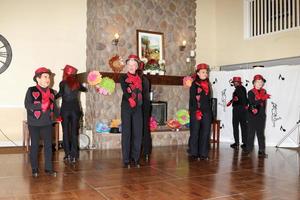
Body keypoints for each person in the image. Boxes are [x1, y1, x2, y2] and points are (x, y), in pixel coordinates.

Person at [24, 67, 60, 177]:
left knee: (49, 146)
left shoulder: (53, 92)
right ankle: (34, 169)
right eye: (45, 77)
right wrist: (40, 106)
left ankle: (48, 169)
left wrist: (58, 116)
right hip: (34, 123)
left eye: (49, 77)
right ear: (38, 79)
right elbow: (27, 105)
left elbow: (54, 107)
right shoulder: (31, 90)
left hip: (47, 123)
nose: (48, 79)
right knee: (34, 146)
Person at [55, 64, 87, 163]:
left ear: (65, 73)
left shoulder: (62, 83)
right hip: (75, 110)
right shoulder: (77, 83)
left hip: (65, 110)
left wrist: (51, 97)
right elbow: (84, 89)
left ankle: (67, 154)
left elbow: (60, 94)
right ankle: (74, 155)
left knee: (65, 133)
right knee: (74, 133)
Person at [120, 54, 143, 168]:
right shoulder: (123, 78)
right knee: (127, 132)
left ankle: (136, 158)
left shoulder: (140, 79)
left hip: (138, 107)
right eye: (129, 64)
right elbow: (125, 90)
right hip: (127, 107)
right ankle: (126, 159)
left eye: (134, 64)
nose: (131, 66)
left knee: (138, 133)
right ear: (127, 65)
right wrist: (130, 98)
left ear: (137, 66)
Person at [188, 63, 212, 160]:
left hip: (206, 112)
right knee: (195, 132)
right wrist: (195, 111)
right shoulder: (194, 84)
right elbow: (192, 100)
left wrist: (210, 113)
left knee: (206, 132)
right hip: (196, 111)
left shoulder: (208, 84)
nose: (205, 74)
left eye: (206, 72)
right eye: (203, 72)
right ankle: (194, 153)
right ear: (197, 73)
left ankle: (203, 153)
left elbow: (208, 99)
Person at [244, 74, 270, 158]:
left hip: (261, 116)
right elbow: (252, 103)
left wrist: (263, 114)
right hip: (252, 116)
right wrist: (261, 99)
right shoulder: (250, 92)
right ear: (254, 83)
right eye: (257, 82)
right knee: (251, 133)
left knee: (261, 134)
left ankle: (261, 150)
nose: (259, 83)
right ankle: (249, 149)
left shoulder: (264, 91)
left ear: (263, 83)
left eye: (261, 82)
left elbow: (263, 105)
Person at [227, 77, 248, 150]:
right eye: (234, 82)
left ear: (238, 82)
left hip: (238, 109)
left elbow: (240, 99)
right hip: (243, 109)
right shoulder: (242, 88)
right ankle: (245, 143)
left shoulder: (239, 89)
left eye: (236, 82)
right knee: (243, 126)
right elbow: (243, 99)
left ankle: (237, 143)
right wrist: (232, 100)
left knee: (236, 125)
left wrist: (234, 100)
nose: (234, 83)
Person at [137, 63, 152, 161]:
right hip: (146, 105)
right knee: (145, 129)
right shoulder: (146, 79)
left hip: (140, 105)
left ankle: (139, 151)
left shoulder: (138, 79)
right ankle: (146, 152)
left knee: (138, 129)